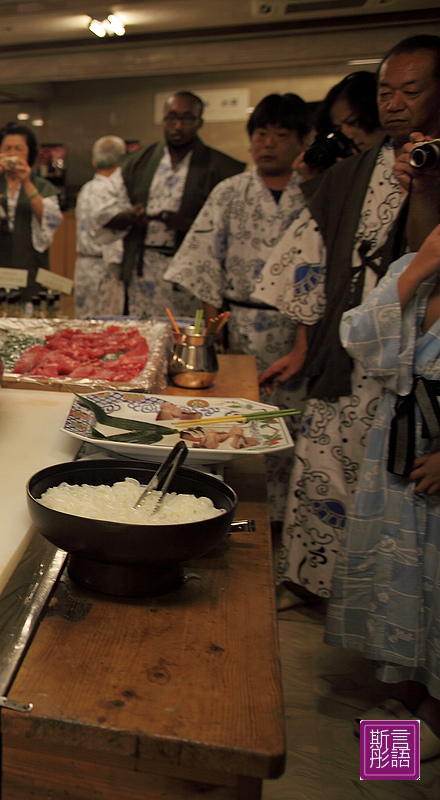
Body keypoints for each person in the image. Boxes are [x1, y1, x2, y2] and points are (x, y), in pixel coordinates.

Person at [254, 34, 440, 599]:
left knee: (404, 503)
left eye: (411, 90)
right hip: (351, 352)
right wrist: (305, 345)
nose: (394, 103)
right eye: (385, 91)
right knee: (328, 471)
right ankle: (318, 591)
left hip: (424, 375)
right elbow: (309, 261)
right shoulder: (353, 173)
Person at [328, 137, 440, 759]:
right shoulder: (411, 271)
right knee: (409, 577)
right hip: (397, 447)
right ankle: (409, 690)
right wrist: (422, 264)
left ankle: (431, 718)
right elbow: (359, 336)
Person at [164, 94, 311, 526]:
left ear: (303, 141)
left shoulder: (317, 192)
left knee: (292, 428)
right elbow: (206, 261)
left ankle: (286, 523)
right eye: (261, 134)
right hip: (239, 325)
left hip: (299, 329)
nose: (269, 144)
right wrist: (213, 329)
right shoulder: (230, 192)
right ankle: (232, 512)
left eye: (282, 135)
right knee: (235, 425)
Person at [112, 91, 246, 319]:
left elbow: (232, 229)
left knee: (182, 336)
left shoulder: (219, 167)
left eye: (186, 119)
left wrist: (188, 224)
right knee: (144, 335)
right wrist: (132, 215)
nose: (177, 126)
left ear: (199, 122)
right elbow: (111, 210)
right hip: (143, 267)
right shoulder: (139, 161)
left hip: (188, 271)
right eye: (171, 118)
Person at [0, 121, 62, 315]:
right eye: (7, 148)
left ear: (29, 152)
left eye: (19, 148)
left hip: (30, 265)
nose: (12, 153)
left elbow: (50, 219)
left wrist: (26, 181)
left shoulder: (40, 185)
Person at [73, 135, 130, 318]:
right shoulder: (114, 189)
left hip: (83, 265)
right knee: (105, 323)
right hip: (104, 265)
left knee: (83, 322)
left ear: (94, 161)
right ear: (120, 160)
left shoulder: (87, 188)